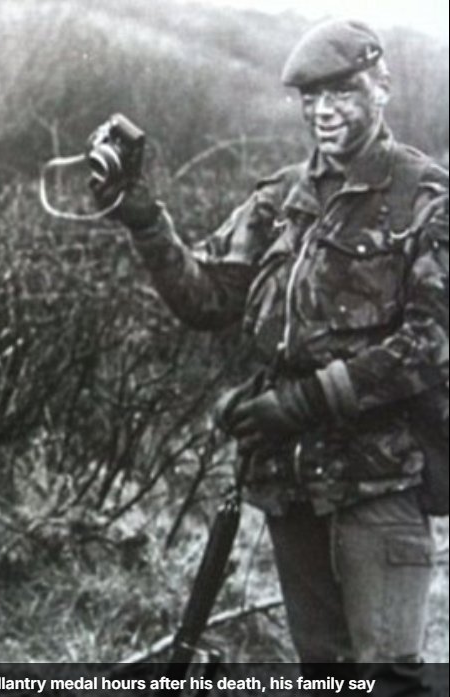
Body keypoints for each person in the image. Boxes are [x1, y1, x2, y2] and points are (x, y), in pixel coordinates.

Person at [90, 18, 448, 686]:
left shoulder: (425, 199)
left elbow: (429, 343)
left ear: (382, 87)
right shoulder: (280, 198)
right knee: (323, 670)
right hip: (292, 481)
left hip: (379, 478)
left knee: (388, 674)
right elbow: (206, 299)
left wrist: (306, 400)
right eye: (310, 98)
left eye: (341, 93)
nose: (323, 112)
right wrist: (144, 218)